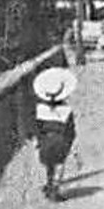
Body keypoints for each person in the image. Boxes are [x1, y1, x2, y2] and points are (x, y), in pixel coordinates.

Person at [30, 67, 78, 201]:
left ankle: (47, 184)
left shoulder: (40, 109)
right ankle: (54, 191)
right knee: (59, 165)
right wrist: (70, 145)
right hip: (60, 141)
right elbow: (71, 131)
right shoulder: (67, 110)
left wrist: (37, 141)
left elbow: (36, 128)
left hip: (45, 140)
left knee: (47, 164)